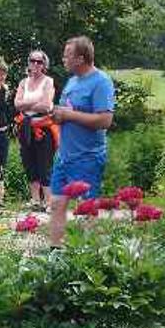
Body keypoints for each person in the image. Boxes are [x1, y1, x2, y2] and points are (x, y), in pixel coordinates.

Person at [50, 36, 115, 247]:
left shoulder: (101, 82)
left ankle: (88, 257)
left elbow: (105, 120)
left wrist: (69, 116)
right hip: (64, 156)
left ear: (80, 58)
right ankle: (54, 254)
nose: (63, 58)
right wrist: (56, 114)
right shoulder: (72, 81)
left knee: (87, 209)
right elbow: (67, 110)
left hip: (87, 158)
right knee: (56, 204)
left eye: (67, 55)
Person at [14, 50, 57, 212]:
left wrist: (26, 103)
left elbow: (46, 106)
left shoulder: (48, 82)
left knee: (44, 164)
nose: (36, 64)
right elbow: (16, 104)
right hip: (25, 126)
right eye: (33, 61)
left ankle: (49, 201)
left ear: (44, 65)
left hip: (43, 128)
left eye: (39, 62)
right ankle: (35, 200)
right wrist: (34, 102)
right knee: (29, 162)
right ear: (29, 63)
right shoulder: (23, 83)